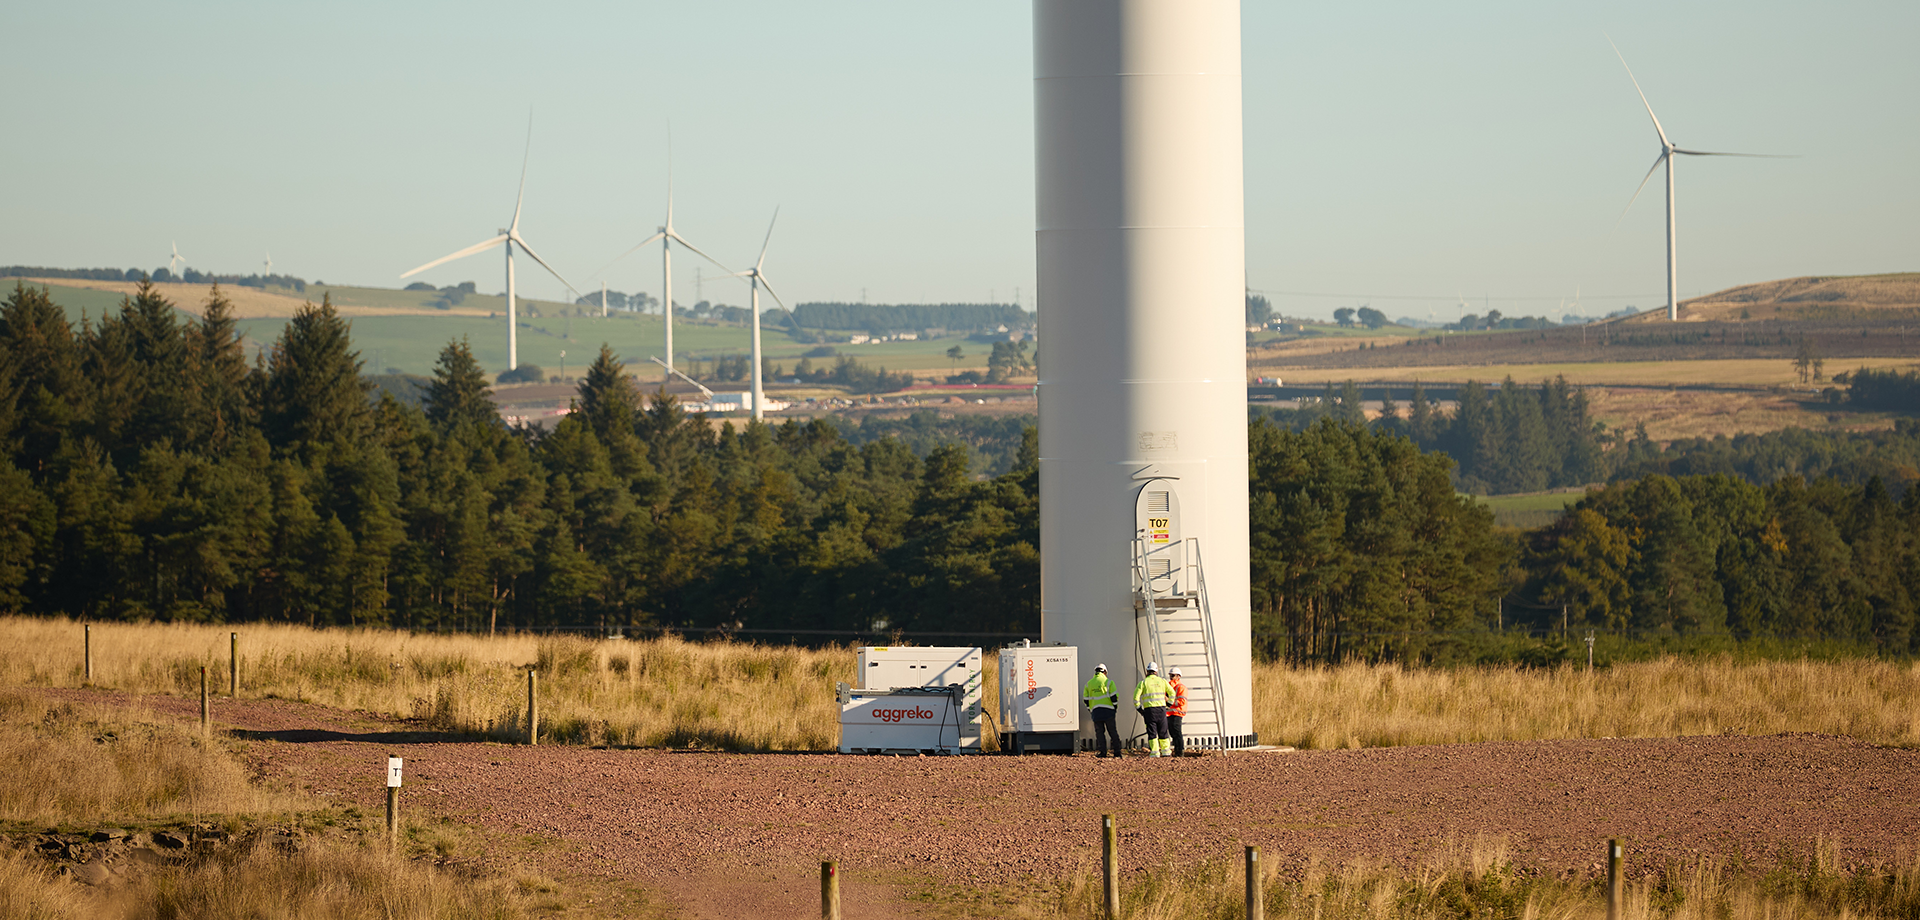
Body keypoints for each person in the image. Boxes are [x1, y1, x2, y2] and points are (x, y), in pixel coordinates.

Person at [1134, 661, 1172, 757]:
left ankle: (1155, 752)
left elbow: (1135, 698)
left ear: (1147, 671)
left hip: (1149, 711)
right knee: (1163, 731)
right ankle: (1166, 751)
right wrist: (1169, 704)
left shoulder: (1143, 683)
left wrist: (1140, 709)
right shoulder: (1162, 681)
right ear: (1156, 671)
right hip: (1161, 710)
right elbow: (1172, 693)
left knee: (1152, 732)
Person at [1082, 663, 1121, 758]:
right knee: (1112, 732)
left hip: (1096, 712)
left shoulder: (1089, 684)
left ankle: (1103, 752)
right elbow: (1114, 697)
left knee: (1099, 733)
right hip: (1109, 711)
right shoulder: (1108, 682)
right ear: (1105, 672)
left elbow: (1085, 699)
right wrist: (1115, 707)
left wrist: (1090, 709)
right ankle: (1117, 753)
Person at [1166, 666, 1188, 757]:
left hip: (1177, 713)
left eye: (1173, 675)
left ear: (1179, 676)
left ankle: (1180, 751)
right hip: (1169, 713)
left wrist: (1168, 701)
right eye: (1170, 675)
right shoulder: (1168, 686)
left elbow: (1181, 702)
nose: (1171, 677)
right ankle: (1177, 750)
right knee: (1172, 733)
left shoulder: (1181, 688)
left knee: (1177, 732)